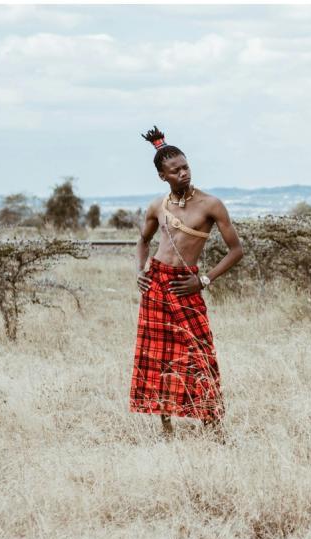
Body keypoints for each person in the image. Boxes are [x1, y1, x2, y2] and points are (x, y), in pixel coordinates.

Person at [130, 126, 243, 438]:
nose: (183, 173)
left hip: (187, 284)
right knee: (158, 356)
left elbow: (237, 251)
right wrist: (141, 271)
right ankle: (165, 426)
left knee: (198, 353)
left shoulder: (211, 205)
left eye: (185, 167)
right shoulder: (157, 206)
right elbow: (142, 241)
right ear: (162, 176)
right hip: (156, 284)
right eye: (175, 170)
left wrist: (203, 280)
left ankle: (212, 424)